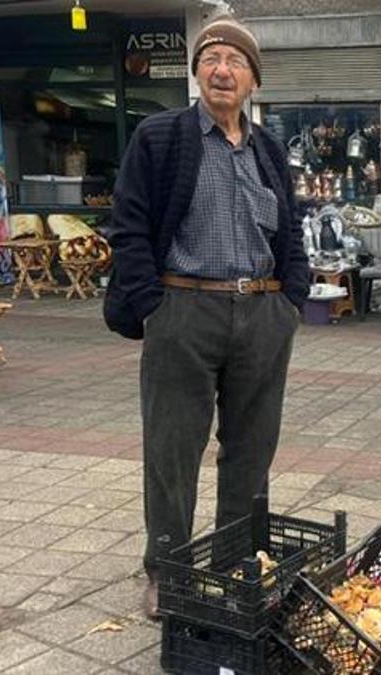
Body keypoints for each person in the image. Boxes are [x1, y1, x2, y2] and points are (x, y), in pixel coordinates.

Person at [102, 15, 310, 618]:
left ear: (253, 80)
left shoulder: (269, 149)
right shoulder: (161, 136)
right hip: (183, 309)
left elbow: (290, 231)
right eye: (212, 58)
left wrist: (289, 301)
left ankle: (236, 563)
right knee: (172, 448)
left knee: (251, 448)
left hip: (263, 311)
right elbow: (130, 224)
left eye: (236, 62)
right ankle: (167, 571)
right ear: (196, 72)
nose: (223, 70)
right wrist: (153, 305)